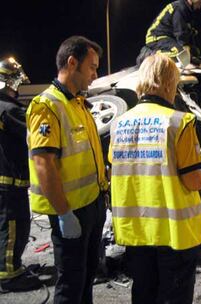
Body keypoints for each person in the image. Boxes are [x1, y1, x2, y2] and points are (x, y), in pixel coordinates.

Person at [109, 54, 201, 304]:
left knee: (143, 293)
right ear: (169, 83)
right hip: (175, 234)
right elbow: (194, 181)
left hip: (137, 231)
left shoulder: (118, 124)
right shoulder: (179, 122)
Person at [26, 36, 108, 303]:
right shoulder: (47, 105)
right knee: (71, 285)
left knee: (86, 277)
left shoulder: (78, 104)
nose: (96, 75)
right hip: (71, 211)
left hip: (91, 206)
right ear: (72, 63)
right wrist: (63, 212)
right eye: (92, 67)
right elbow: (43, 163)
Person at [0, 57, 41, 293]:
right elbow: (34, 133)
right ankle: (9, 276)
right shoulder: (8, 109)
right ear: (9, 83)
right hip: (8, 183)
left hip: (5, 181)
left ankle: (11, 266)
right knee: (13, 227)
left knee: (6, 227)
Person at [136, 0, 201, 66]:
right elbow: (180, 32)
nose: (200, 7)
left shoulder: (188, 11)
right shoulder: (179, 7)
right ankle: (149, 56)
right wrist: (186, 51)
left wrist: (198, 57)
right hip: (157, 37)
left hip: (170, 38)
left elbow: (187, 34)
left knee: (193, 52)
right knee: (180, 53)